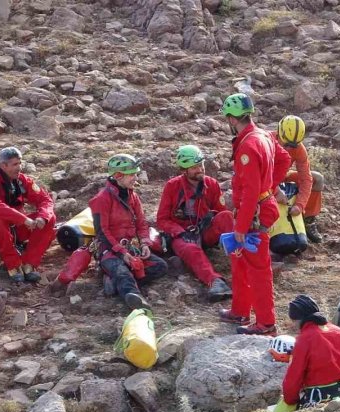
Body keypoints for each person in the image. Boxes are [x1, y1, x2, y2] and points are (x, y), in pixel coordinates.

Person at [218, 92, 292, 336]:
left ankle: (266, 323)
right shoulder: (265, 136)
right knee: (240, 260)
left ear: (231, 119)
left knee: (258, 268)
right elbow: (285, 158)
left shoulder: (248, 145)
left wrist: (240, 226)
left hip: (253, 213)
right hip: (258, 207)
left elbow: (250, 192)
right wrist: (269, 187)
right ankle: (240, 310)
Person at [89, 154, 168, 310]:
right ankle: (134, 297)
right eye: (132, 174)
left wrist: (145, 243)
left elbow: (141, 223)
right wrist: (122, 253)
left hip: (131, 249)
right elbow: (102, 232)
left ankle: (114, 282)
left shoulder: (133, 197)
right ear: (118, 175)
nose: (135, 177)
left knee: (160, 266)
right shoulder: (101, 199)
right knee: (121, 271)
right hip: (109, 251)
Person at [156, 145, 234, 302]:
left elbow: (220, 212)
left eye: (201, 165)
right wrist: (180, 232)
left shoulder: (211, 184)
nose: (200, 169)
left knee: (227, 217)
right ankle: (215, 281)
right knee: (191, 249)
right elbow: (162, 219)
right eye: (194, 167)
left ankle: (246, 263)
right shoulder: (172, 187)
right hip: (182, 235)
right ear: (184, 170)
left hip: (204, 232)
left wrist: (210, 217)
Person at [0, 147, 56, 283]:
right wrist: (23, 219)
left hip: (15, 229)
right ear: (3, 166)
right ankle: (13, 265)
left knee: (50, 218)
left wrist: (43, 217)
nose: (19, 168)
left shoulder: (22, 181)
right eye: (15, 164)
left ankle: (29, 264)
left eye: (20, 163)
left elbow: (45, 199)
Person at [280, 295, 340, 408]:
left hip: (317, 400)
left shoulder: (305, 339)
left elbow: (294, 378)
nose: (294, 326)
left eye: (293, 321)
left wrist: (290, 400)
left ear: (298, 320)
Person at [272, 115, 326, 243]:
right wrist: (276, 190)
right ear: (279, 133)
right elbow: (258, 175)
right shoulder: (265, 141)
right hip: (264, 179)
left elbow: (306, 179)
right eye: (287, 145)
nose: (289, 149)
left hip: (283, 176)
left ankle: (308, 221)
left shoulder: (299, 149)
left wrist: (300, 205)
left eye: (293, 145)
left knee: (317, 179)